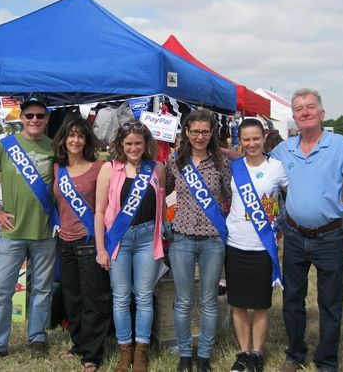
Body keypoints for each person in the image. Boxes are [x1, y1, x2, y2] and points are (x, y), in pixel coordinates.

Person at [270, 88, 343, 372]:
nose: (305, 112)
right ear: (294, 117)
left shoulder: (339, 145)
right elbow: (254, 162)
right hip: (296, 236)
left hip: (330, 236)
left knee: (331, 303)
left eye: (311, 107)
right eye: (299, 109)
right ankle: (295, 355)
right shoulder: (283, 149)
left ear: (322, 113)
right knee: (292, 300)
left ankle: (326, 361)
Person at [0, 96, 57, 362]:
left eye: (39, 116)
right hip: (12, 233)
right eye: (29, 115)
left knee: (42, 290)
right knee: (1, 291)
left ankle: (38, 338)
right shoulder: (4, 146)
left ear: (47, 118)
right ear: (20, 117)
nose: (34, 120)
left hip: (45, 233)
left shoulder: (55, 148)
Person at [95, 121, 166, 372]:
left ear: (146, 144)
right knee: (121, 298)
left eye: (138, 143)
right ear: (120, 145)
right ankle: (125, 351)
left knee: (145, 297)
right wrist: (101, 249)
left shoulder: (157, 168)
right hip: (119, 241)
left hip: (147, 238)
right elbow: (100, 211)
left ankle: (142, 351)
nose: (133, 148)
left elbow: (163, 205)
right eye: (128, 143)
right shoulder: (109, 169)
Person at [165, 108, 232, 372]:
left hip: (213, 240)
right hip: (181, 238)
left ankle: (203, 355)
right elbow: (168, 189)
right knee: (182, 300)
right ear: (187, 132)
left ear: (212, 132)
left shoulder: (221, 163)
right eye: (195, 131)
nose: (200, 136)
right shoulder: (175, 161)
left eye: (205, 131)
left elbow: (229, 195)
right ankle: (184, 355)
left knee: (208, 300)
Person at [226, 118, 287, 372]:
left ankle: (257, 353)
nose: (251, 143)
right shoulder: (234, 167)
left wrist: (281, 224)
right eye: (246, 139)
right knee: (238, 303)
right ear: (240, 140)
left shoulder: (277, 167)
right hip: (236, 242)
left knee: (261, 304)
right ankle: (243, 352)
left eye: (256, 138)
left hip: (263, 245)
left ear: (264, 138)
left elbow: (291, 198)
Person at [52, 117, 112, 372]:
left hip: (88, 242)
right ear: (64, 139)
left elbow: (103, 208)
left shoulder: (99, 167)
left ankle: (92, 354)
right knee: (72, 298)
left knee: (92, 300)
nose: (75, 140)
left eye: (80, 136)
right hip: (64, 241)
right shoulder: (57, 168)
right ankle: (78, 343)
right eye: (71, 135)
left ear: (87, 140)